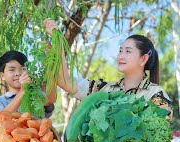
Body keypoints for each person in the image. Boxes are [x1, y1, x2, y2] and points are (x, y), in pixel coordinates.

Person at [44, 18, 173, 119]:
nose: (121, 56)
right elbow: (66, 83)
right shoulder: (104, 89)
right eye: (120, 51)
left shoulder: (156, 95)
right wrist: (58, 44)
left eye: (128, 51)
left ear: (143, 59)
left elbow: (157, 135)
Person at [0, 50, 65, 142]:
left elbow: (50, 99)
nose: (18, 73)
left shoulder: (37, 95)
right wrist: (23, 91)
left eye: (22, 68)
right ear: (2, 75)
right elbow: (1, 118)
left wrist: (52, 68)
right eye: (12, 70)